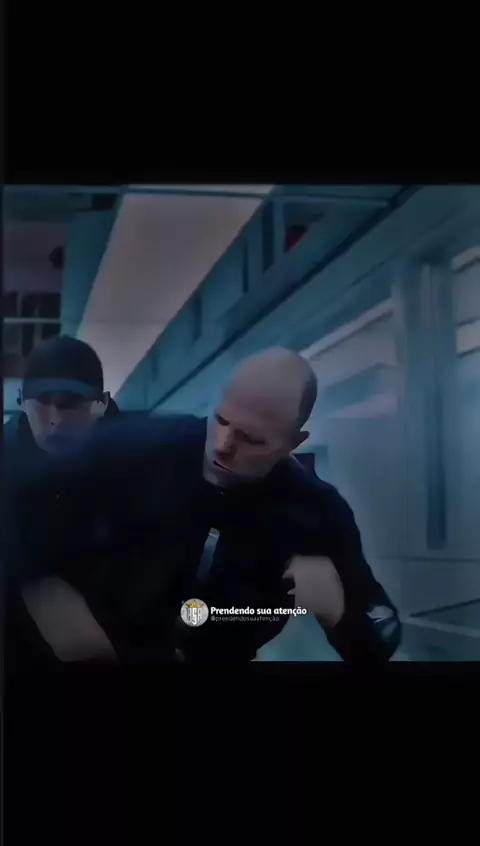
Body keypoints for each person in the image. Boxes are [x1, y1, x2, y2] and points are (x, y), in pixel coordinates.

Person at [7, 348, 401, 664]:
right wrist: (45, 590)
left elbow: (379, 634)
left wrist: (339, 611)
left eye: (252, 439)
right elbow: (18, 503)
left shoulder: (315, 511)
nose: (223, 446)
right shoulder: (141, 446)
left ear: (293, 443)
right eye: (221, 421)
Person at [4, 335, 121, 668]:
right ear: (21, 402)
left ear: (101, 403)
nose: (55, 419)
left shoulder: (131, 454)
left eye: (71, 403)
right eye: (42, 402)